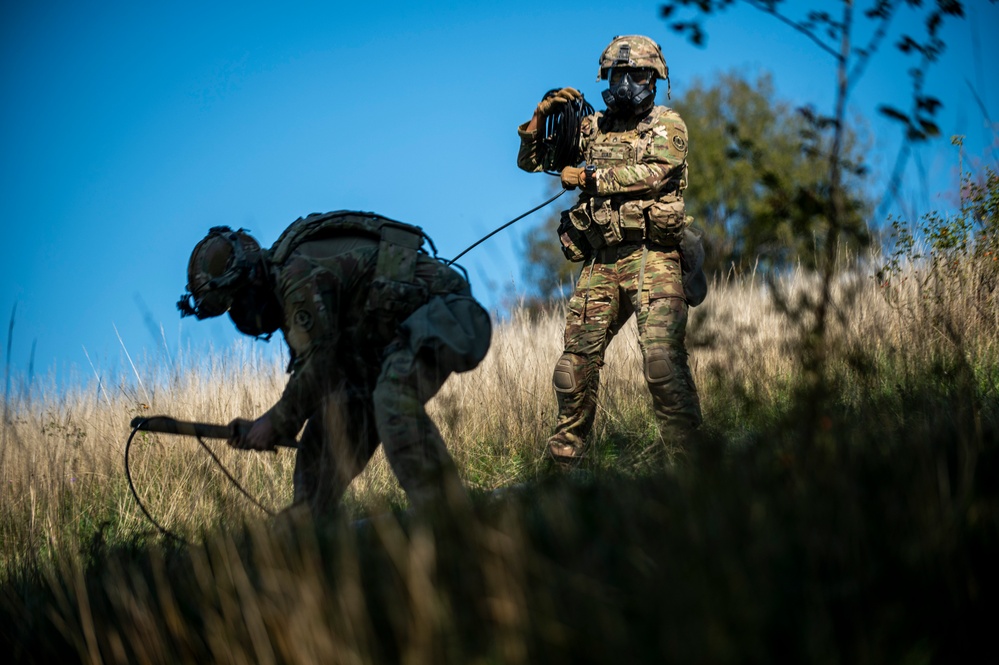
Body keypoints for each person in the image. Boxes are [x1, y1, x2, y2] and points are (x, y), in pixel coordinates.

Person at [178, 210, 492, 519]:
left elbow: (319, 365)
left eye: (237, 303)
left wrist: (273, 423)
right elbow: (319, 376)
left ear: (252, 279)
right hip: (391, 346)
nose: (240, 316)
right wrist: (266, 423)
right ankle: (309, 531)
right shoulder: (288, 281)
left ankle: (450, 519)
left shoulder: (296, 275)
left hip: (447, 314)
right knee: (328, 430)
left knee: (392, 399)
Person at [516, 34, 704, 466]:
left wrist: (589, 179)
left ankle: (692, 464)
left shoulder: (667, 124)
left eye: (636, 74)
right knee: (572, 369)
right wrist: (538, 118)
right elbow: (534, 162)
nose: (626, 83)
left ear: (653, 79)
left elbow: (655, 173)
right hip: (602, 261)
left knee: (661, 364)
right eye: (619, 74)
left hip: (653, 257)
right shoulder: (592, 127)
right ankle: (564, 467)